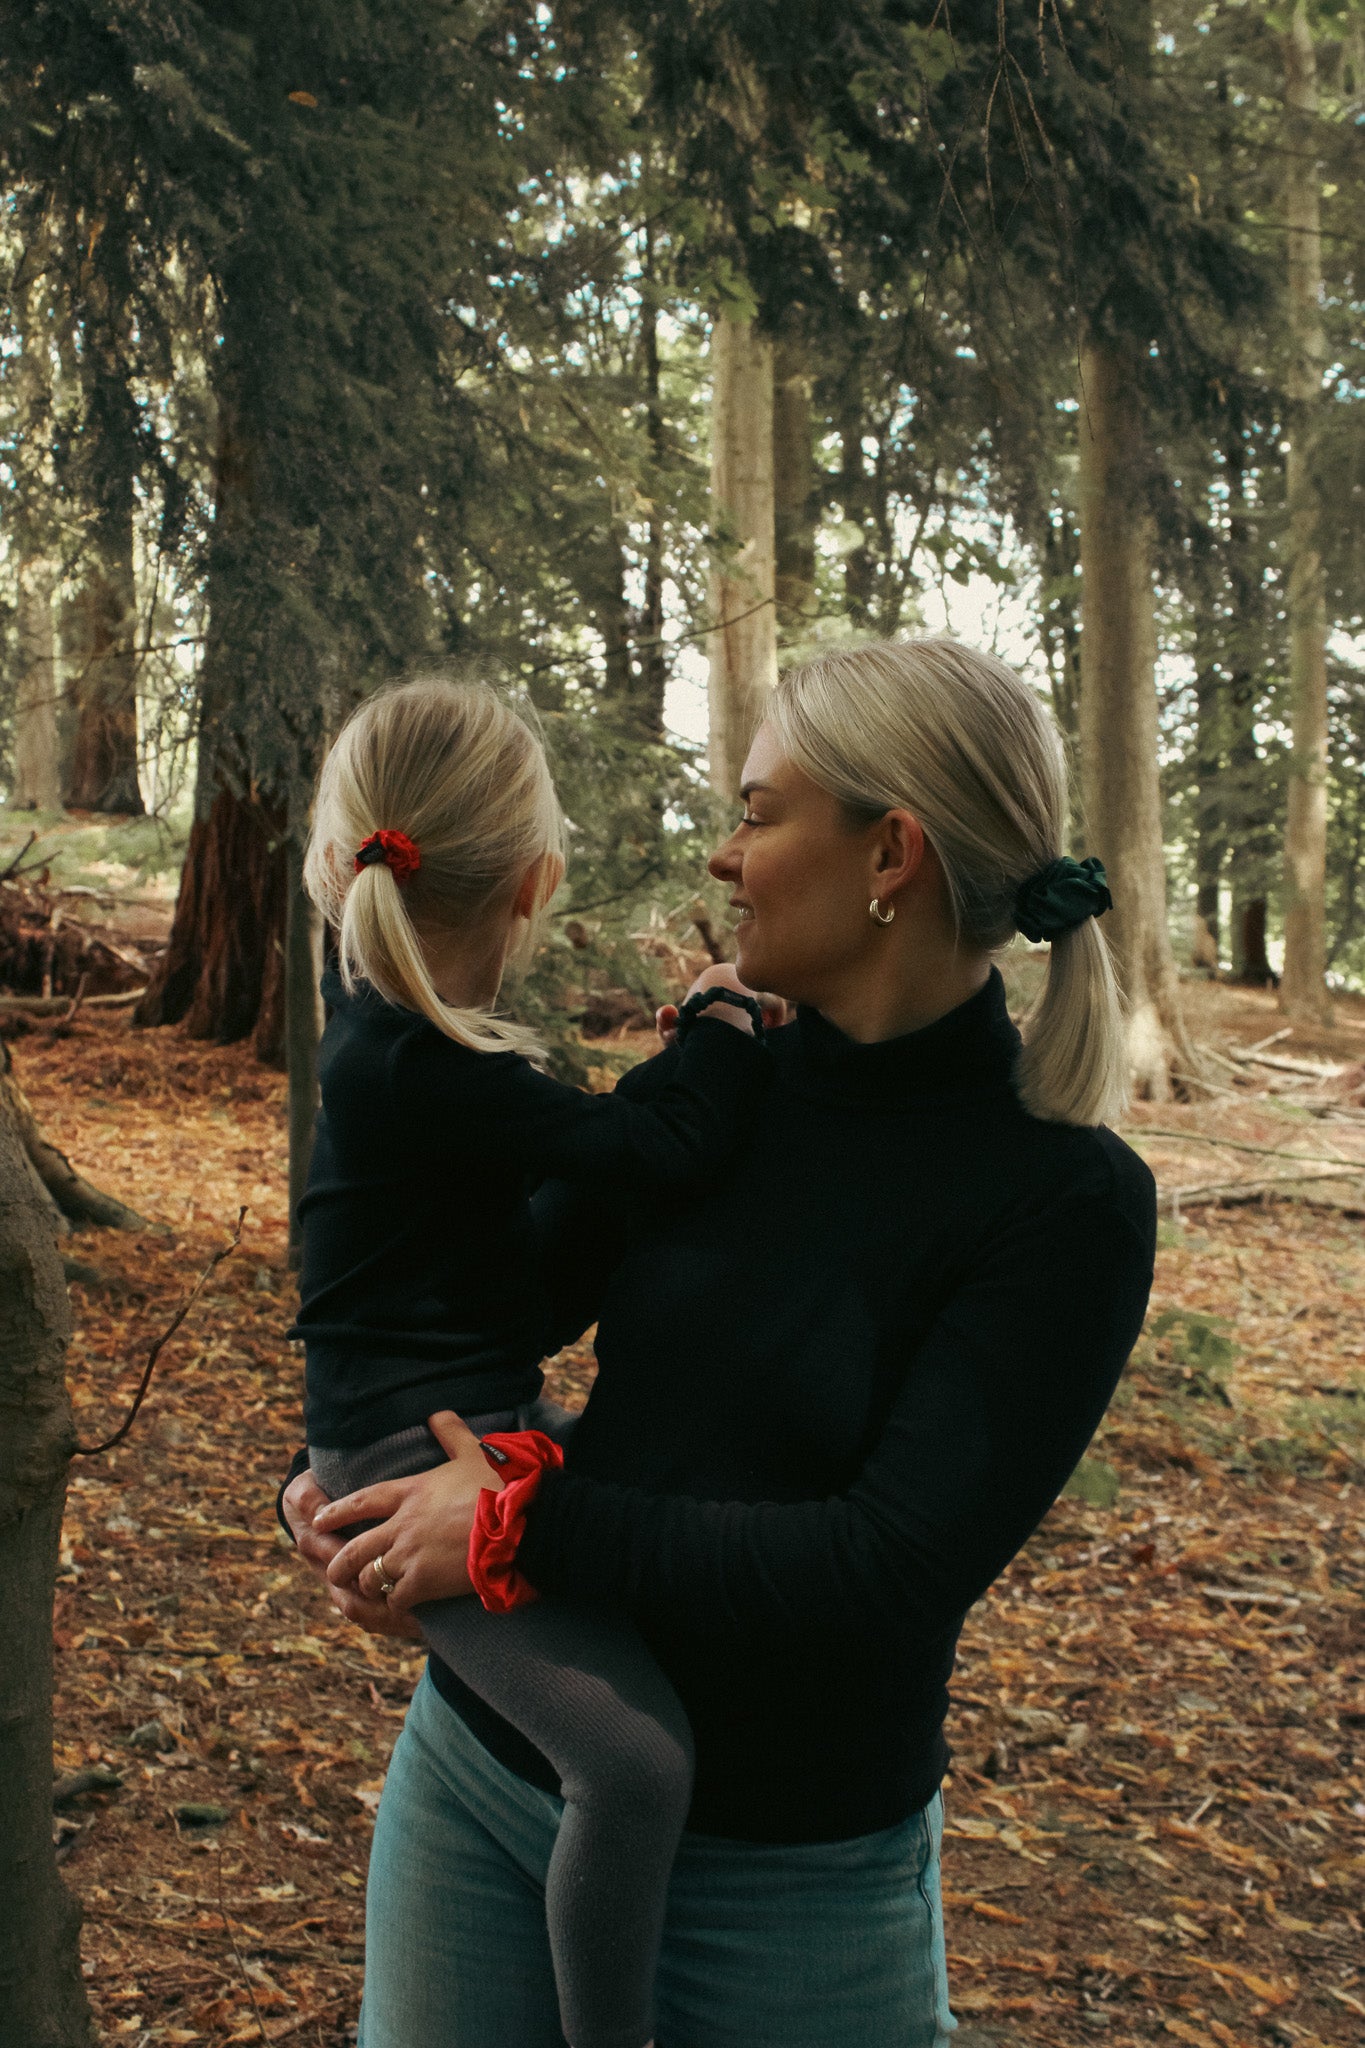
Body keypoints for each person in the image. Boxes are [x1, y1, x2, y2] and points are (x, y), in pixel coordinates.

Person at [284, 637, 1158, 2048]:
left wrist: (516, 1524)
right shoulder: (715, 1103)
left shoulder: (1060, 1203)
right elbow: (466, 1311)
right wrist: (353, 1490)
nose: (721, 855)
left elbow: (881, 1568)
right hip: (483, 1792)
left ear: (890, 853)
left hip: (796, 1896)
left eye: (756, 813)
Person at [292, 674, 770, 2048]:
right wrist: (726, 1026)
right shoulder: (420, 1065)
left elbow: (564, 1226)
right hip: (415, 1456)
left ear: (341, 865)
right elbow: (650, 1155)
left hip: (461, 1420)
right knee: (631, 1768)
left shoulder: (396, 1053)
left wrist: (675, 1069)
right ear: (535, 882)